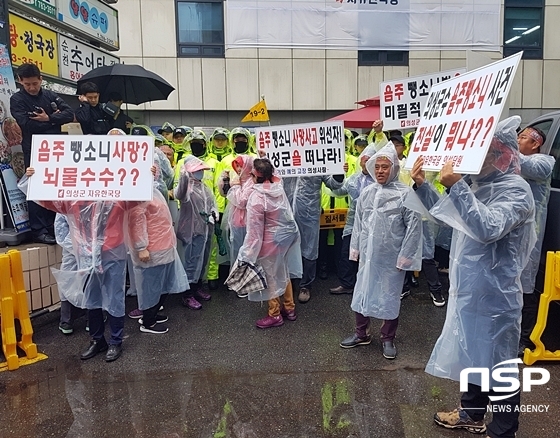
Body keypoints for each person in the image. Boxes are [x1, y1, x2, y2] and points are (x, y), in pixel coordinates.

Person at [410, 116, 536, 437]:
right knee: (471, 354)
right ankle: (471, 413)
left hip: (496, 298)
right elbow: (450, 217)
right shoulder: (479, 186)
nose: (472, 160)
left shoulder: (517, 191)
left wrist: (457, 187)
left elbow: (487, 227)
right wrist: (424, 187)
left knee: (500, 364)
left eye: (481, 152)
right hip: (470, 291)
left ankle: (504, 430)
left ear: (503, 155)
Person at [340, 143, 422, 360]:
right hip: (368, 256)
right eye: (377, 167)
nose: (380, 171)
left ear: (394, 168)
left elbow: (414, 228)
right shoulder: (367, 193)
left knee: (389, 297)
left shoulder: (405, 194)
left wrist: (406, 256)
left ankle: (387, 338)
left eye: (385, 167)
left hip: (391, 258)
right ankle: (361, 333)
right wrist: (355, 249)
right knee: (362, 293)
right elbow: (358, 223)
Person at [10, 63, 74, 244]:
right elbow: (26, 124)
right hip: (34, 148)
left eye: (35, 84)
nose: (31, 87)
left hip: (56, 148)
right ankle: (38, 230)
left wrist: (49, 118)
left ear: (41, 80)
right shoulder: (17, 99)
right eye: (27, 84)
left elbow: (69, 113)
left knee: (56, 186)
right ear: (20, 81)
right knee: (36, 187)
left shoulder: (50, 95)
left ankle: (55, 226)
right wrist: (54, 121)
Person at [236, 159, 301, 328]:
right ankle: (289, 308)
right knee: (283, 272)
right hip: (283, 240)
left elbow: (255, 231)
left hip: (268, 243)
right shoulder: (277, 187)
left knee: (271, 277)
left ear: (254, 175)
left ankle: (275, 314)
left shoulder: (257, 198)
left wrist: (248, 251)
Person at [127, 186, 188, 334]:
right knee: (151, 287)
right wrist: (141, 247)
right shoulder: (138, 193)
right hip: (152, 250)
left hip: (164, 246)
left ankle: (152, 314)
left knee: (162, 285)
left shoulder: (153, 191)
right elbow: (136, 220)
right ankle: (148, 321)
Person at [282, 161, 344, 303]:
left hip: (308, 214)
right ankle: (287, 283)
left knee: (309, 249)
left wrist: (338, 172)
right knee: (285, 248)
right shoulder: (284, 158)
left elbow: (333, 184)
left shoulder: (316, 159)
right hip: (285, 214)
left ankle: (305, 285)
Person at [517, 126, 555, 355]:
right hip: (510, 232)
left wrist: (505, 147)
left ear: (536, 143)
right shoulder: (514, 162)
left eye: (522, 138)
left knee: (525, 286)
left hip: (530, 235)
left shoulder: (544, 162)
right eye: (517, 137)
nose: (518, 141)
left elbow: (528, 166)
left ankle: (525, 339)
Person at [329, 145, 377, 295]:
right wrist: (338, 175)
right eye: (365, 159)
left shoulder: (379, 179)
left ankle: (371, 285)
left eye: (370, 159)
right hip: (352, 223)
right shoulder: (353, 178)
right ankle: (347, 283)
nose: (366, 162)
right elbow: (338, 191)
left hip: (373, 224)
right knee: (348, 253)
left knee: (371, 255)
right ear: (361, 161)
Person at [175, 155, 217, 310]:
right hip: (192, 231)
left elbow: (211, 203)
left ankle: (197, 287)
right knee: (191, 263)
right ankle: (187, 295)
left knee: (203, 261)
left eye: (201, 170)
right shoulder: (187, 189)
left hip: (206, 230)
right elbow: (179, 194)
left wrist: (214, 212)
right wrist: (183, 176)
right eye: (197, 170)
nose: (200, 173)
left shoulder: (204, 187)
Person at [54, 213, 86, 335]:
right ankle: (91, 317)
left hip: (70, 248)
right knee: (90, 280)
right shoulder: (94, 198)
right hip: (90, 248)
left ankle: (66, 320)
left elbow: (60, 231)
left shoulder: (65, 200)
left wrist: (74, 245)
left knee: (67, 280)